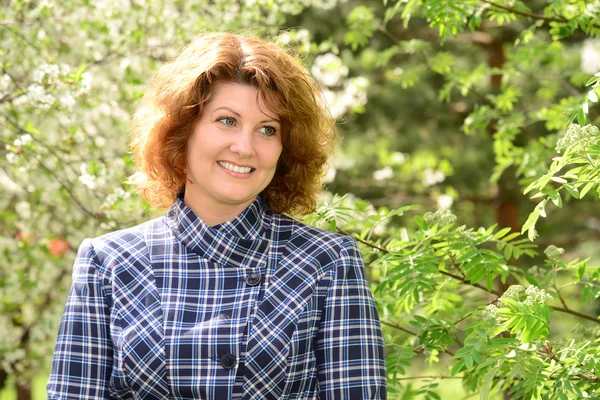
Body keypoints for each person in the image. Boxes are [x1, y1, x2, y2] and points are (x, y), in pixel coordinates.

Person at [47, 32, 387, 399]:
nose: (244, 147)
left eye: (267, 130)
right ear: (182, 130)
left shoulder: (328, 262)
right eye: (227, 121)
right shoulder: (108, 262)